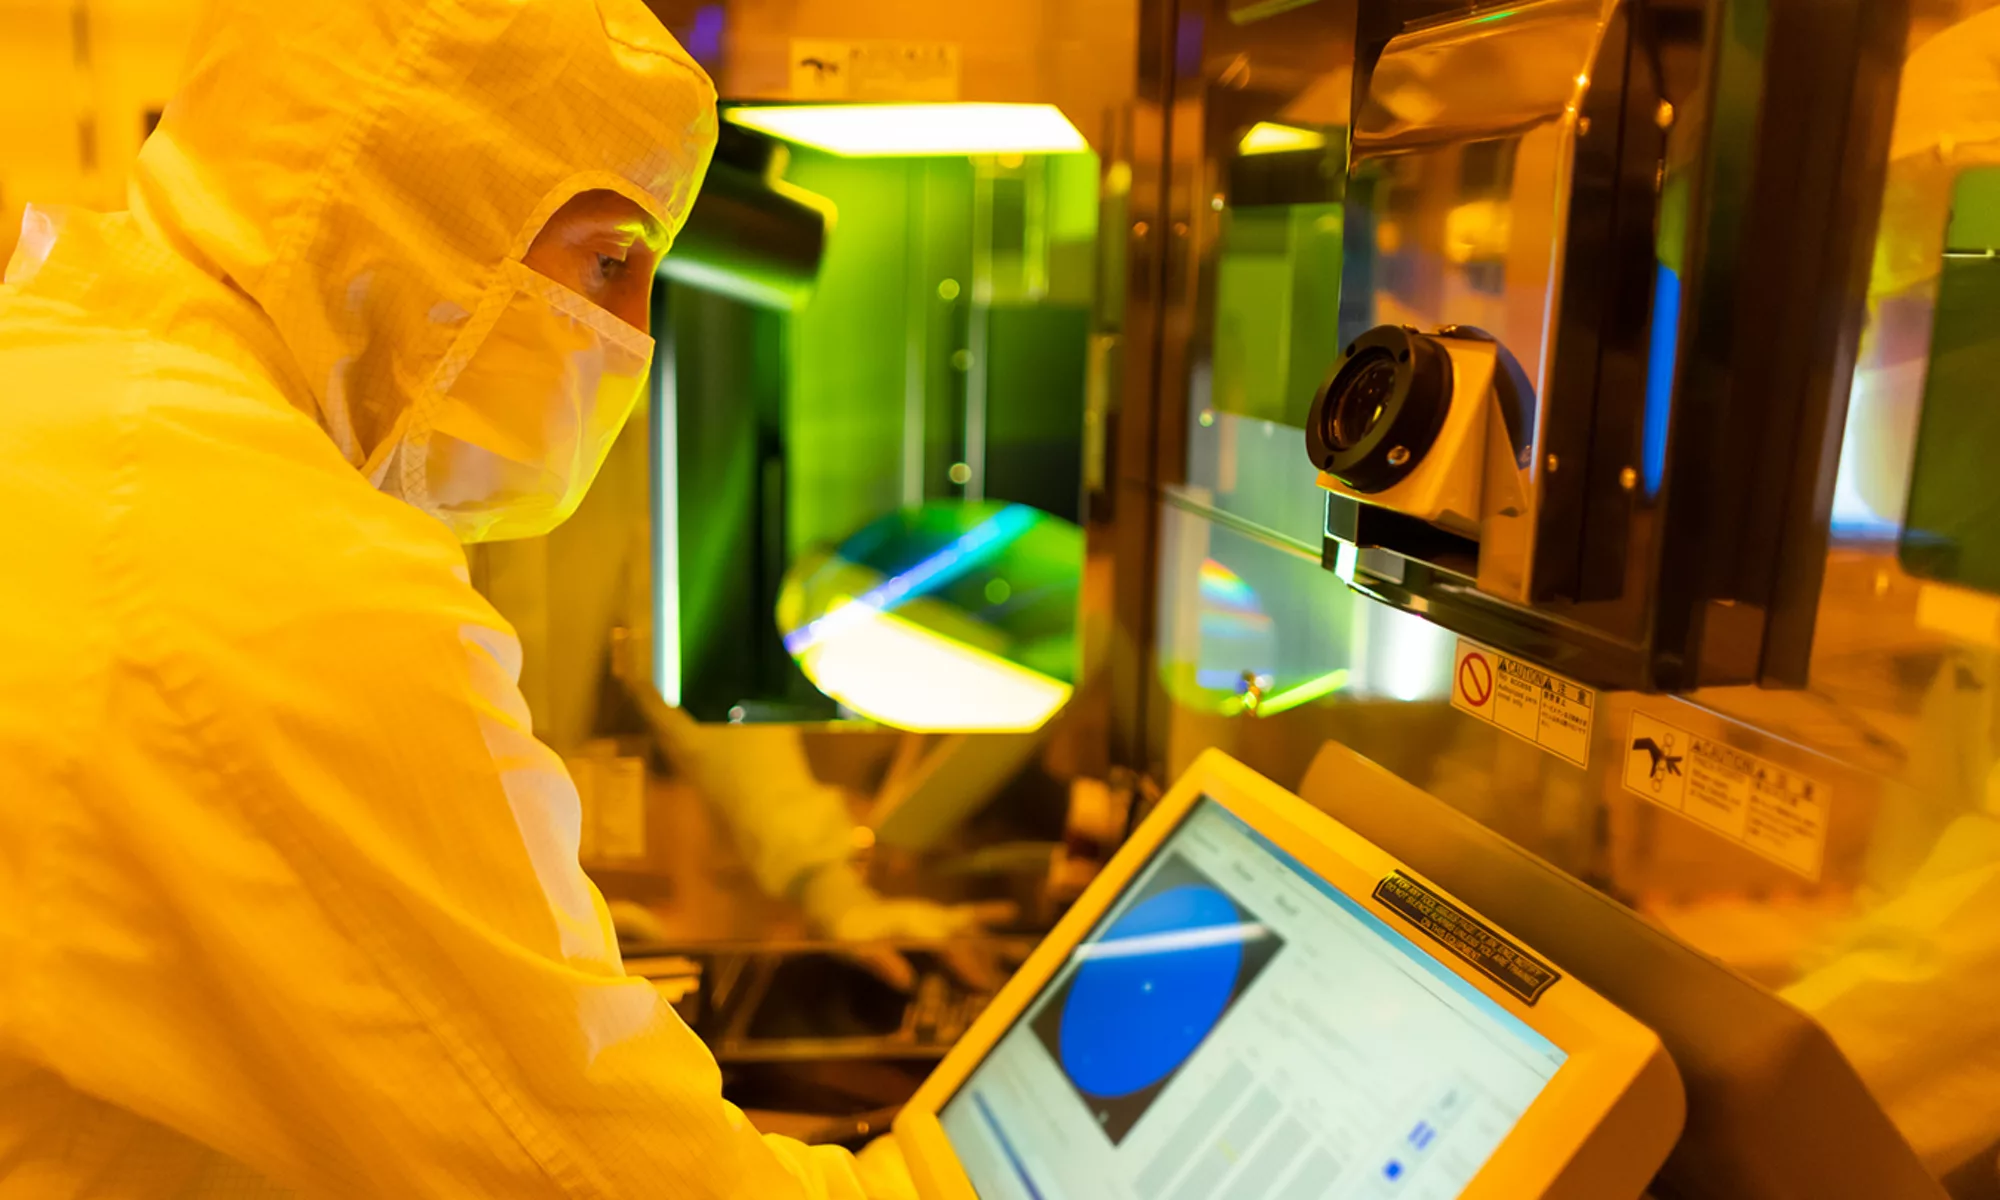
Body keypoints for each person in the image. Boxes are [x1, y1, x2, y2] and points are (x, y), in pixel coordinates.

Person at [0, 0, 914, 1195]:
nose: (631, 337)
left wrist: (825, 881)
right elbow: (585, 1170)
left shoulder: (73, 377)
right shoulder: (275, 571)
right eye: (606, 262)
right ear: (407, 201)